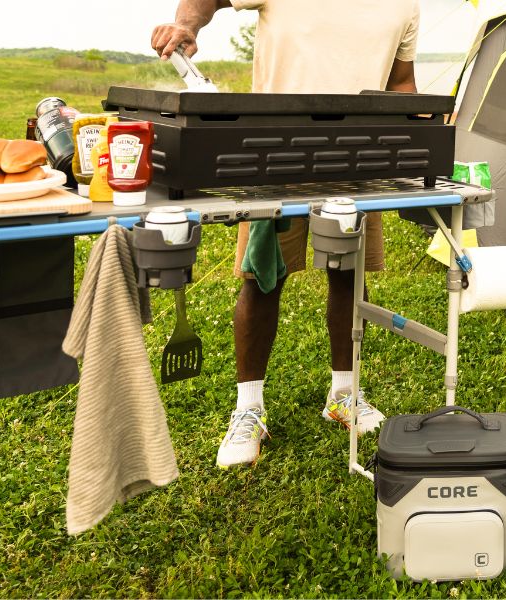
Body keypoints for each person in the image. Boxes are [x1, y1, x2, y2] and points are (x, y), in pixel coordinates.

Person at [152, 0, 420, 468]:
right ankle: (248, 408)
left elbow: (400, 84)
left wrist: (426, 138)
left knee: (349, 278)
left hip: (362, 156)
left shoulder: (406, 4)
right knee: (261, 278)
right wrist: (186, 24)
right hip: (275, 152)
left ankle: (344, 394)